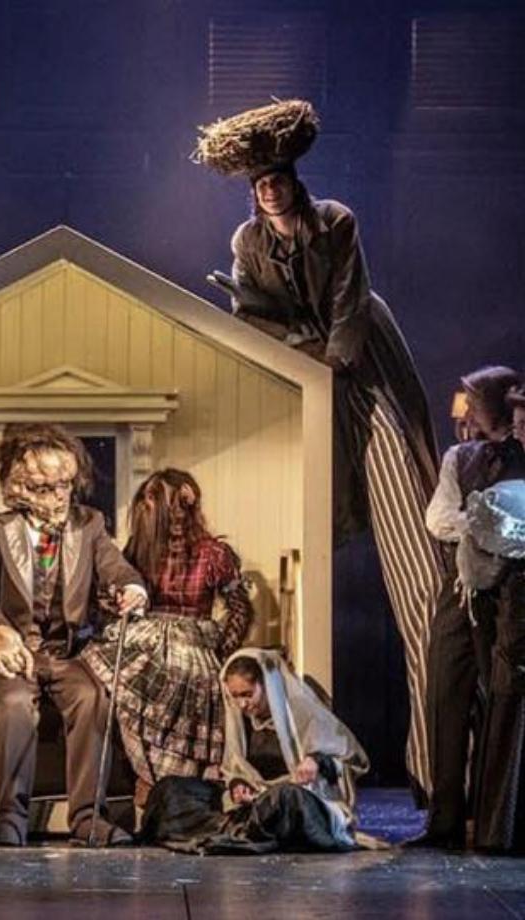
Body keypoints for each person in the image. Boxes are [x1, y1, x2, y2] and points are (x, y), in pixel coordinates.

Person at [194, 99, 445, 796]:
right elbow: (250, 317)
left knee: (420, 571)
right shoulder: (248, 242)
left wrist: (322, 359)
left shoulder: (335, 222)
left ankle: (437, 774)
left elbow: (348, 313)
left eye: (278, 179)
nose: (270, 190)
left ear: (295, 180)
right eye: (260, 183)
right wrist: (296, 351)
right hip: (307, 382)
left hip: (360, 371)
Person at [0, 423, 147, 847]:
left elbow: (114, 565)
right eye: (46, 489)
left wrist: (131, 587)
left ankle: (87, 819)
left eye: (64, 486)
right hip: (15, 653)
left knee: (93, 698)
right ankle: (11, 818)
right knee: (15, 705)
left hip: (65, 654)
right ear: (21, 488)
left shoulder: (88, 524)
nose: (59, 498)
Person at [80, 469, 254, 806]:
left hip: (191, 644)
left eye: (158, 503)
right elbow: (118, 590)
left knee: (185, 714)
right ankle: (148, 785)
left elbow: (239, 607)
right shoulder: (141, 548)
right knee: (128, 705)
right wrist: (115, 601)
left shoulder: (212, 553)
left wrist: (223, 654)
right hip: (146, 639)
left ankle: (174, 795)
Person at [418, 366, 525, 848]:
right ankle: (444, 821)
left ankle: (489, 822)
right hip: (461, 588)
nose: (466, 408)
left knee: (498, 706)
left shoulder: (522, 454)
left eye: (474, 398)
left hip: (506, 598)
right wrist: (484, 524)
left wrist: (496, 524)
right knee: (446, 695)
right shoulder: (460, 457)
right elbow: (439, 518)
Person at [142, 648, 370, 854]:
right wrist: (238, 784)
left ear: (268, 685)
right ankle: (235, 832)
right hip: (252, 805)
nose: (242, 704)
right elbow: (234, 768)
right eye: (235, 696)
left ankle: (234, 833)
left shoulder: (302, 715)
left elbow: (353, 761)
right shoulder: (240, 720)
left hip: (297, 801)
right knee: (171, 788)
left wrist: (316, 761)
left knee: (285, 798)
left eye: (247, 694)